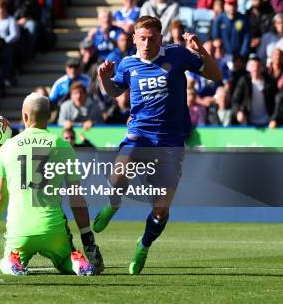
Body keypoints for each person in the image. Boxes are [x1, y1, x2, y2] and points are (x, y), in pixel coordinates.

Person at [95, 16, 222, 274]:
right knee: (119, 173)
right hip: (139, 135)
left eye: (152, 38)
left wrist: (200, 50)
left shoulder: (177, 55)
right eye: (141, 38)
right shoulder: (128, 64)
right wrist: (104, 78)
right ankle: (113, 204)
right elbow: (114, 92)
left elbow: (215, 74)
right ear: (134, 38)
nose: (146, 43)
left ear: (160, 38)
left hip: (170, 142)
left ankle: (143, 245)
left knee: (161, 209)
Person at [0, 92, 103, 275]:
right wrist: (88, 240)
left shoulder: (7, 147)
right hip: (53, 228)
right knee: (66, 260)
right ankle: (78, 263)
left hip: (19, 230)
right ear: (49, 116)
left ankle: (13, 262)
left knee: (6, 261)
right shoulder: (63, 146)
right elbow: (77, 200)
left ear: (24, 116)